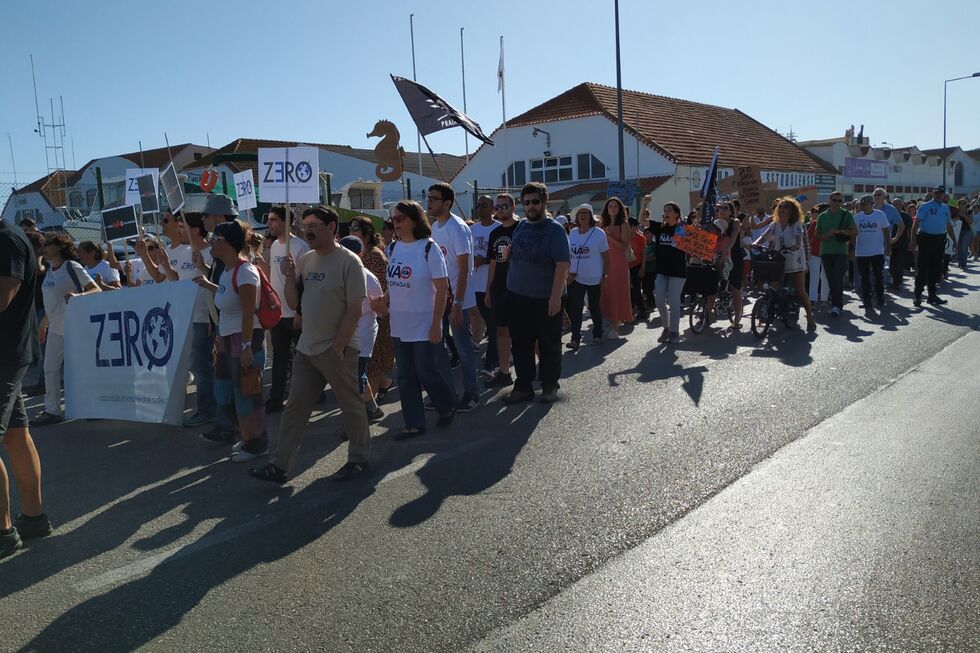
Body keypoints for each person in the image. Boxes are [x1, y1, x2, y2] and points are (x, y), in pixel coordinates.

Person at [249, 207, 371, 483]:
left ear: (332, 227)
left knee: (350, 405)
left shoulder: (349, 262)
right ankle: (279, 465)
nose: (308, 230)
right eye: (305, 225)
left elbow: (355, 309)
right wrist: (289, 276)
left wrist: (339, 345)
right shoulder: (305, 260)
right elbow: (293, 303)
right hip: (307, 348)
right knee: (295, 408)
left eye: (314, 225)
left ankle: (359, 459)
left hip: (336, 348)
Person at [367, 200, 456, 439]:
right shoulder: (393, 248)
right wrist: (384, 300)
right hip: (400, 323)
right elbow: (395, 283)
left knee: (426, 370)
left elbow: (442, 288)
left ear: (414, 220)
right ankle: (414, 423)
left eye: (400, 219)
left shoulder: (429, 248)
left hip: (424, 323)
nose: (394, 223)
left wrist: (437, 323)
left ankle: (446, 406)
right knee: (406, 375)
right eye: (393, 219)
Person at [192, 221, 269, 462]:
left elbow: (248, 311)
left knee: (247, 396)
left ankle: (257, 442)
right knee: (224, 393)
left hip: (246, 340)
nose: (212, 243)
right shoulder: (226, 271)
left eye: (216, 239)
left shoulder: (246, 271)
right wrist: (210, 285)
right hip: (227, 340)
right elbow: (228, 300)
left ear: (229, 243)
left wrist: (246, 346)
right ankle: (247, 435)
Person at [0, 217, 52, 559]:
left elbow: (3, 294)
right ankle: (33, 517)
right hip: (9, 352)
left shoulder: (6, 240)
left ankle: (3, 532)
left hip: (5, 354)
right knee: (16, 434)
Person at [503, 182, 570, 404]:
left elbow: (562, 265)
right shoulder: (521, 226)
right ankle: (523, 386)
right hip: (517, 297)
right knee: (521, 344)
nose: (531, 206)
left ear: (545, 203)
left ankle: (549, 385)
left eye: (535, 202)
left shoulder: (555, 230)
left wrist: (555, 297)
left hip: (544, 298)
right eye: (527, 202)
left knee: (549, 343)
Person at [35, 233, 101, 426]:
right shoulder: (49, 271)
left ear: (59, 246)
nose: (44, 247)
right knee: (50, 369)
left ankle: (95, 406)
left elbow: (95, 289)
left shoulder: (72, 267)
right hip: (56, 329)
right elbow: (52, 303)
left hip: (76, 327)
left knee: (84, 368)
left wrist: (77, 295)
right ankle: (52, 410)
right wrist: (43, 324)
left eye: (48, 244)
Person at [427, 183, 480, 412]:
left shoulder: (457, 228)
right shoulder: (435, 227)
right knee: (438, 348)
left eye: (434, 198)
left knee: (463, 348)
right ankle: (446, 394)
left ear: (447, 203)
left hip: (458, 298)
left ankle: (472, 394)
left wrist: (458, 303)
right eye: (428, 197)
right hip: (441, 297)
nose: (429, 202)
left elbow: (463, 269)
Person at [263, 205, 310, 414]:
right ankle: (276, 398)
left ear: (285, 222)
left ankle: (312, 395)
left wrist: (300, 311)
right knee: (280, 358)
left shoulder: (300, 247)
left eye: (273, 220)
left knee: (304, 360)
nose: (268, 224)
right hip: (278, 313)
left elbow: (306, 284)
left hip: (295, 314)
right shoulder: (273, 247)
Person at [338, 236, 384, 421]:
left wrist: (377, 306)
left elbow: (382, 311)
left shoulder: (369, 279)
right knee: (354, 374)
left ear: (360, 254)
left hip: (363, 331)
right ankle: (372, 409)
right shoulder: (338, 273)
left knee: (356, 374)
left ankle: (355, 419)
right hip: (344, 332)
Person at [350, 217, 395, 403]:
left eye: (356, 229)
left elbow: (382, 290)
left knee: (372, 366)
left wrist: (381, 312)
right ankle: (383, 384)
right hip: (361, 319)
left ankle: (368, 409)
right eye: (350, 228)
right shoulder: (355, 254)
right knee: (369, 367)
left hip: (378, 317)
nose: (352, 232)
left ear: (367, 233)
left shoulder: (374, 256)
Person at [755, 197, 816, 330]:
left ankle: (810, 317)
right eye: (780, 207)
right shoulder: (775, 224)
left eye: (786, 207)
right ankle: (769, 312)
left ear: (792, 211)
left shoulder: (796, 224)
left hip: (795, 260)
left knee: (800, 291)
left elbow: (798, 236)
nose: (782, 209)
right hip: (778, 260)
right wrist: (755, 244)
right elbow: (764, 236)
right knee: (773, 288)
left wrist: (796, 245)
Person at [483, 194, 520, 388]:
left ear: (513, 206)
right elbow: (493, 262)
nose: (500, 210)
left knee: (525, 333)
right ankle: (505, 372)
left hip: (519, 288)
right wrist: (489, 289)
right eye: (497, 207)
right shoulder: (494, 233)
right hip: (499, 287)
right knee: (501, 331)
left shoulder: (522, 229)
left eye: (504, 206)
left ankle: (543, 370)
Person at [565, 204, 609, 350]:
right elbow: (570, 255)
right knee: (575, 308)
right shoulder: (572, 233)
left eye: (585, 213)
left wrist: (605, 276)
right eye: (580, 213)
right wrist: (568, 273)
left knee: (594, 307)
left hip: (595, 278)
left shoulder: (599, 233)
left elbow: (606, 257)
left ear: (591, 216)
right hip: (576, 278)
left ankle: (597, 334)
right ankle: (575, 339)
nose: (582, 215)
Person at [469, 195, 501, 374]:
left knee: (493, 323)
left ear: (492, 208)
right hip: (476, 284)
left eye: (484, 205)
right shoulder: (472, 229)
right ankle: (493, 356)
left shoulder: (499, 229)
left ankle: (492, 361)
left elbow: (504, 256)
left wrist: (485, 260)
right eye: (478, 205)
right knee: (488, 323)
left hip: (493, 283)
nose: (480, 208)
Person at [910, 185, 956, 306]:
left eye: (940, 193)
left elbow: (949, 226)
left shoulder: (945, 207)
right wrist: (913, 240)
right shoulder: (925, 206)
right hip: (926, 239)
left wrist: (955, 241)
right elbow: (916, 224)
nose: (938, 195)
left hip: (940, 240)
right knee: (922, 268)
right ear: (933, 193)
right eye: (936, 193)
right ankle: (918, 295)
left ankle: (932, 296)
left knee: (935, 269)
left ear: (943, 195)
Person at [815, 191, 857, 318]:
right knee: (830, 279)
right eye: (835, 200)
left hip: (840, 252)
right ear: (829, 200)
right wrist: (826, 235)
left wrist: (840, 231)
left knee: (837, 278)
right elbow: (816, 234)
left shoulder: (846, 214)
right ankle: (835, 303)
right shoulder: (822, 216)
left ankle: (836, 306)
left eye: (840, 201)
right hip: (826, 251)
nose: (837, 203)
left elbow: (855, 231)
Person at [651, 203, 687, 343]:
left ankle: (674, 332)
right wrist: (645, 204)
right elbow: (642, 220)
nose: (666, 212)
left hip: (677, 271)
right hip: (662, 270)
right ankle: (666, 327)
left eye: (669, 210)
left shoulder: (682, 228)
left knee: (673, 302)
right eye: (664, 210)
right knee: (659, 301)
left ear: (676, 214)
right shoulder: (660, 228)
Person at [599, 197, 633, 339]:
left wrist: (608, 236)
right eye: (610, 206)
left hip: (618, 263)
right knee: (605, 292)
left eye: (615, 206)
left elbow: (623, 246)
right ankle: (611, 321)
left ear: (619, 209)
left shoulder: (623, 225)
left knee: (617, 292)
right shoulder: (602, 224)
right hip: (604, 262)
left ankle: (615, 326)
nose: (613, 208)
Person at [853, 195, 892, 312]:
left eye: (864, 204)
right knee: (864, 278)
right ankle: (867, 302)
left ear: (871, 204)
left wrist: (888, 247)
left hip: (877, 252)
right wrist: (852, 250)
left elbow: (886, 232)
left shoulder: (880, 215)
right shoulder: (857, 217)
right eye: (861, 205)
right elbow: (854, 234)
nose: (862, 207)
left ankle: (880, 299)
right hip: (861, 253)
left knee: (878, 276)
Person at [806, 205, 830, 306]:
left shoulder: (831, 223)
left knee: (825, 277)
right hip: (814, 253)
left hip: (827, 253)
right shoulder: (815, 223)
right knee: (814, 277)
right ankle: (813, 299)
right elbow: (807, 238)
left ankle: (824, 298)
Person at [889, 199, 914, 287]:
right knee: (890, 262)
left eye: (898, 204)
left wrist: (910, 242)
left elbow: (909, 230)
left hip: (902, 243)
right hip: (890, 242)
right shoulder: (888, 215)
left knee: (900, 262)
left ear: (901, 205)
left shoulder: (906, 216)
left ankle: (898, 281)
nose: (896, 206)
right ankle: (891, 278)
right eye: (894, 204)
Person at [627, 217, 648, 320]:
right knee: (628, 290)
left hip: (637, 266)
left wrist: (642, 268)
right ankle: (630, 310)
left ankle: (642, 310)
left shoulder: (641, 238)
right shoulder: (624, 237)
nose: (637, 228)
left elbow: (644, 254)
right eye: (635, 226)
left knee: (636, 288)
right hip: (626, 267)